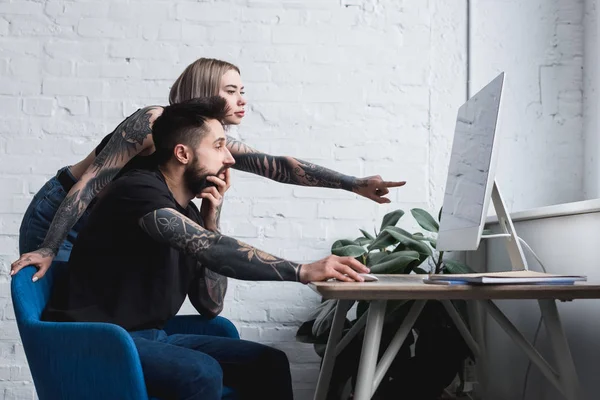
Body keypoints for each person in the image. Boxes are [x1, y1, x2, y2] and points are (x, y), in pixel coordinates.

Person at [42, 97, 369, 400]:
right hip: (95, 340)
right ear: (183, 153)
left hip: (149, 337)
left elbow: (210, 304)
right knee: (201, 371)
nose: (228, 158)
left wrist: (211, 220)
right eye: (218, 146)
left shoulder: (190, 214)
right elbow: (211, 249)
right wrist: (302, 270)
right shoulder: (137, 191)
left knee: (268, 363)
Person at [11, 57, 406, 282]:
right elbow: (88, 182)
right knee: (58, 301)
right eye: (230, 90)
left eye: (243, 91)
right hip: (62, 209)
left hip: (102, 223)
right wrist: (48, 245)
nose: (242, 100)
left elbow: (279, 167)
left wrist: (353, 184)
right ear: (202, 91)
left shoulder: (209, 139)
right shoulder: (152, 122)